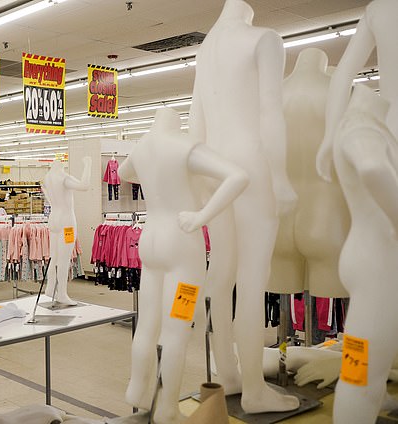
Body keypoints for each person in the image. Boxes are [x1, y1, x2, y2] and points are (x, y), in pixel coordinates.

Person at [188, 0, 299, 413]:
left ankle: (229, 374)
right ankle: (254, 390)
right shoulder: (264, 39)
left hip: (216, 166)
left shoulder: (206, 50)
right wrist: (282, 176)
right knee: (253, 278)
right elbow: (271, 113)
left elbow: (195, 121)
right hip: (252, 166)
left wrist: (200, 181)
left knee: (221, 275)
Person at [118, 107, 248, 424]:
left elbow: (123, 174)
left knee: (147, 323)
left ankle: (136, 388)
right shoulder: (186, 145)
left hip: (150, 242)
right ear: (179, 122)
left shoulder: (141, 146)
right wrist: (202, 216)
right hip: (181, 242)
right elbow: (239, 176)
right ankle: (166, 408)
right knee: (176, 329)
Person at [331, 84, 398, 423]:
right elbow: (373, 169)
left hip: (372, 255)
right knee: (362, 377)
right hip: (378, 264)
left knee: (370, 366)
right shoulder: (361, 126)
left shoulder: (365, 123)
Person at [269, 48, 349, 298]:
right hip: (327, 216)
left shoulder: (271, 97)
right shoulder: (340, 93)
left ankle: (286, 337)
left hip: (278, 219)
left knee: (282, 297)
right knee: (332, 301)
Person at [317, 0, 398, 182]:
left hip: (390, 131)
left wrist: (331, 135)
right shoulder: (377, 9)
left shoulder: (377, 9)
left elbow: (343, 75)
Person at [42, 157, 91, 305]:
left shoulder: (47, 178)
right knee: (63, 259)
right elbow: (84, 185)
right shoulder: (63, 178)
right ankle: (62, 293)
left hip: (54, 219)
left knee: (54, 256)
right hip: (67, 222)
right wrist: (88, 165)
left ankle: (50, 288)